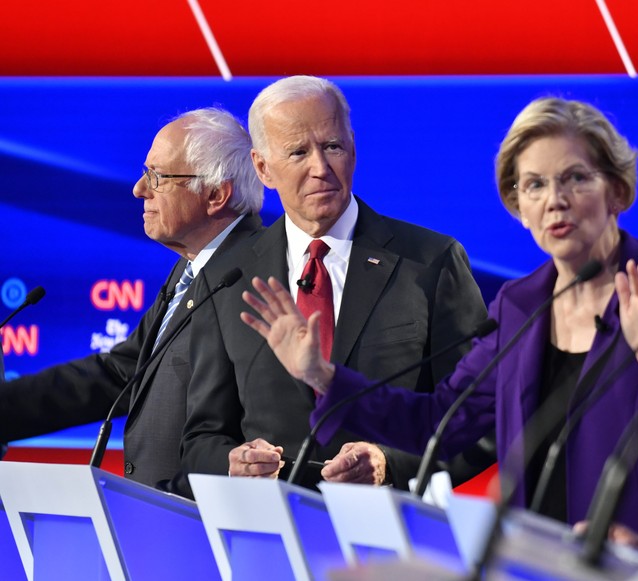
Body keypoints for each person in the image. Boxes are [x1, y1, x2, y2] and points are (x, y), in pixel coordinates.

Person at [239, 96, 638, 529]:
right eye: (534, 186)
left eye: (575, 178)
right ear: (518, 207)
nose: (556, 201)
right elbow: (441, 421)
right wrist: (321, 375)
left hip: (631, 563)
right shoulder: (519, 305)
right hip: (528, 563)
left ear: (617, 189)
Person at [178, 76, 493, 491]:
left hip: (388, 536)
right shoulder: (226, 276)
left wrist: (390, 465)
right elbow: (201, 438)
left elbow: (480, 424)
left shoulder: (431, 263)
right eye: (297, 152)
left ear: (353, 147)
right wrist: (231, 463)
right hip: (270, 533)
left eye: (332, 147)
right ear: (262, 168)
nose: (320, 169)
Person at [0, 108, 264, 488]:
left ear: (216, 194)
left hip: (196, 526)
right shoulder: (193, 269)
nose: (139, 189)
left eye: (157, 176)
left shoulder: (257, 278)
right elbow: (123, 373)